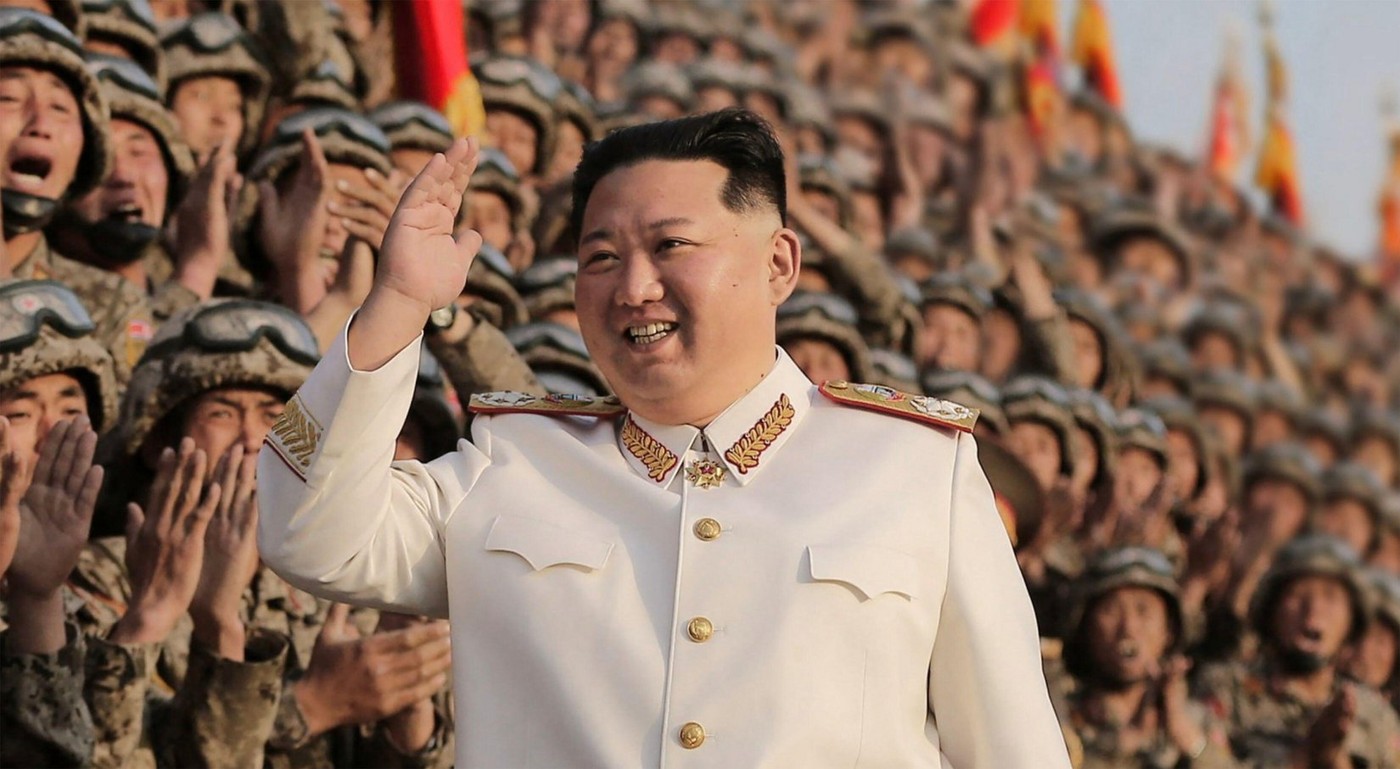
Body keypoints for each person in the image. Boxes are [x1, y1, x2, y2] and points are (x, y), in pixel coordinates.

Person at [259, 109, 1069, 767]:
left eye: (671, 245)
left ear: (779, 264)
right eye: (600, 257)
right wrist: (399, 302)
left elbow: (1015, 751)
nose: (634, 286)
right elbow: (308, 533)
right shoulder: (515, 464)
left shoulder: (915, 468)